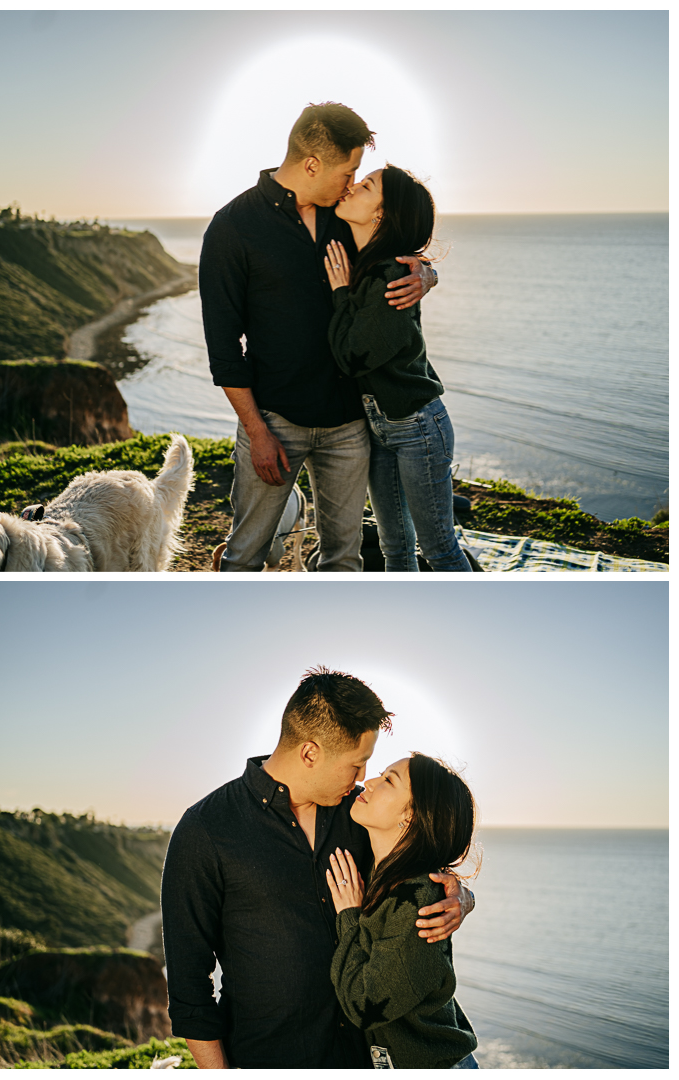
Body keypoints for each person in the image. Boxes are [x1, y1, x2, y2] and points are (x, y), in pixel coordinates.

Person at [161, 667, 475, 1069]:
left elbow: (420, 860)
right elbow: (189, 986)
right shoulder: (206, 829)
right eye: (356, 764)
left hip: (375, 1061)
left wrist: (460, 897)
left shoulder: (361, 814)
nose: (364, 779)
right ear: (310, 752)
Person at [199, 103, 438, 572]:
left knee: (342, 561)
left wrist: (427, 274)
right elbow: (224, 348)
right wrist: (257, 432)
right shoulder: (233, 228)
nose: (352, 183)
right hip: (274, 423)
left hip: (350, 426)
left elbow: (396, 243)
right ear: (312, 164)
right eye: (348, 170)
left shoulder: (345, 217)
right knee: (244, 555)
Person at [325, 165, 473, 572]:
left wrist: (341, 293)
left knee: (439, 550)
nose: (353, 185)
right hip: (380, 426)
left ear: (382, 215)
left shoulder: (392, 276)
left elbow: (351, 356)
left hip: (417, 428)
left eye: (366, 185)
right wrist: (430, 273)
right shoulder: (367, 262)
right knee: (395, 548)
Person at [327, 753, 480, 1069]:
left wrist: (349, 917)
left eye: (387, 781)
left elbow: (365, 1006)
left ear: (410, 817)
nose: (366, 782)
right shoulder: (388, 877)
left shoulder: (417, 901)